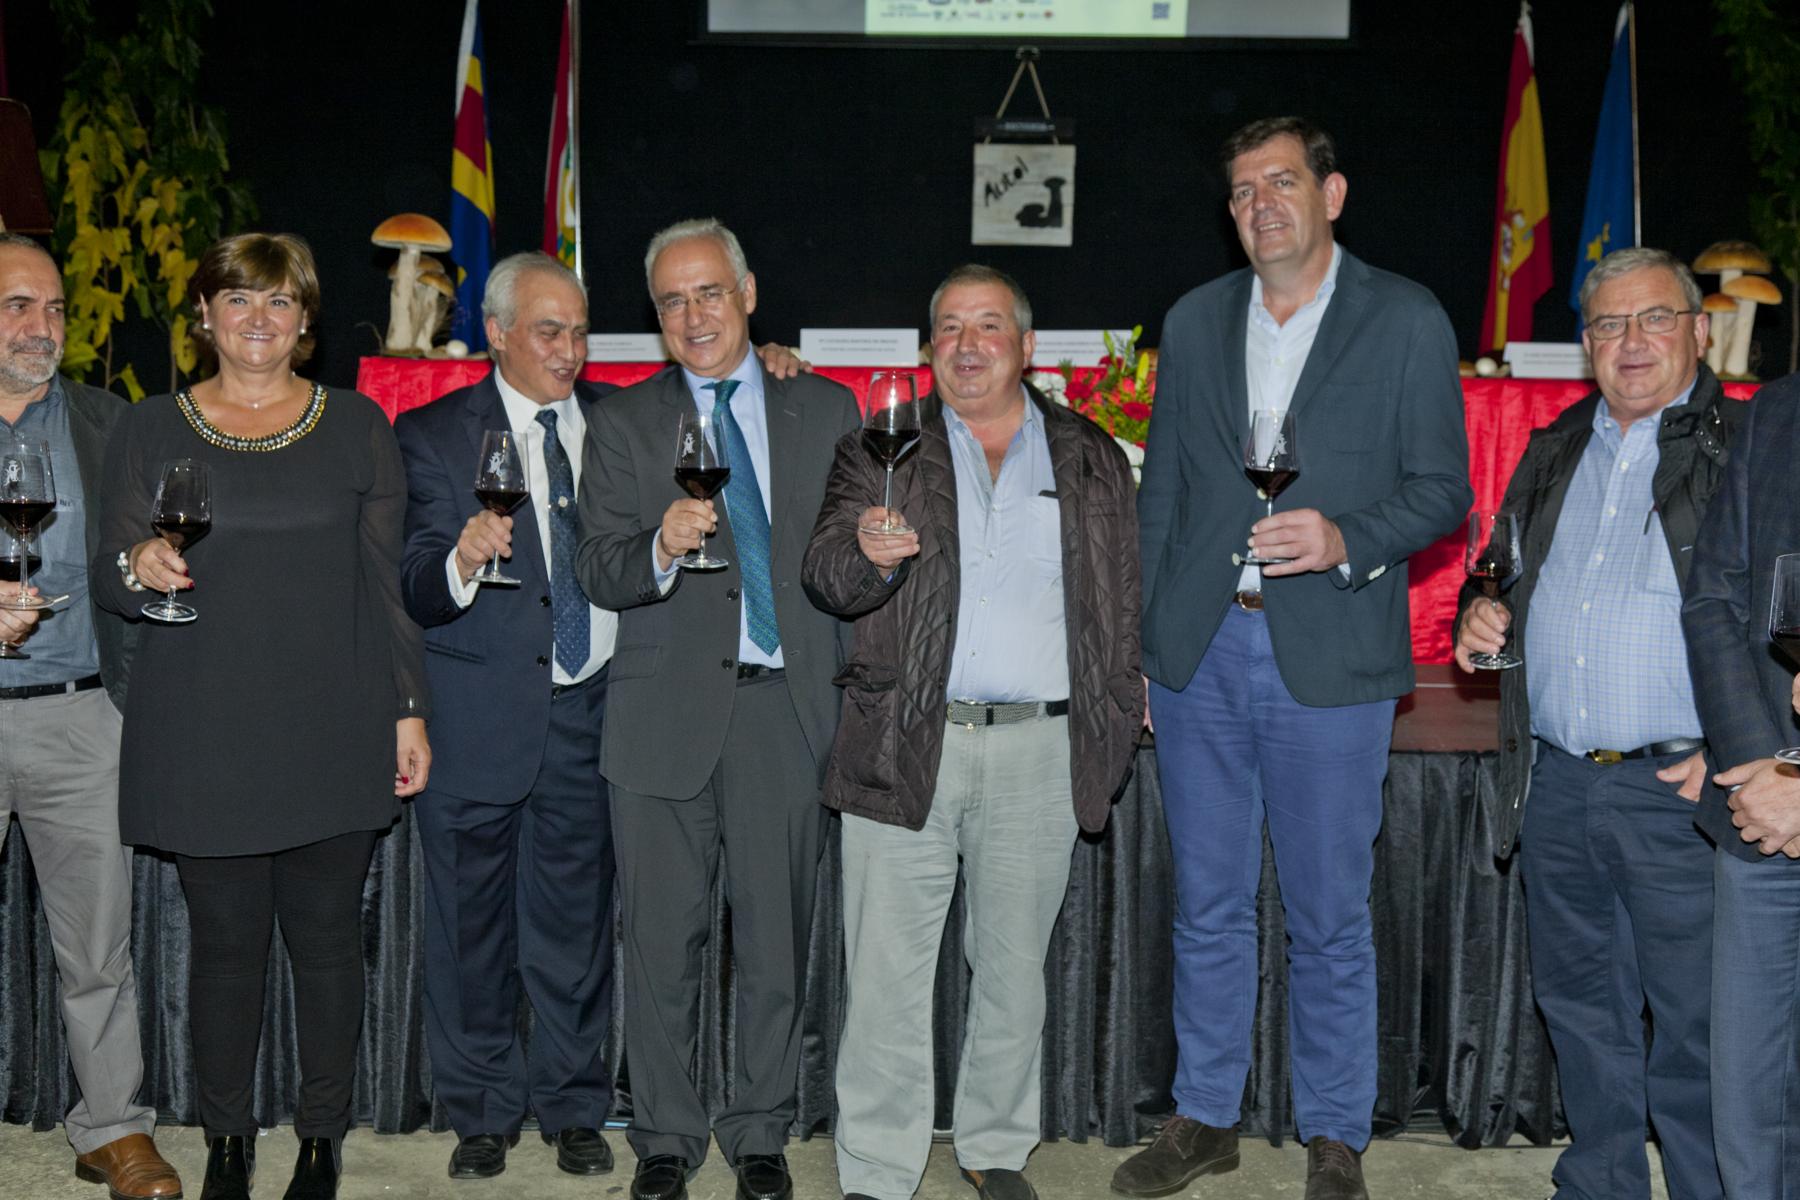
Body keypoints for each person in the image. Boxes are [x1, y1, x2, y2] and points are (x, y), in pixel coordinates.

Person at [1115, 117, 1471, 1200]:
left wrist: (1346, 538)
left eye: (1281, 181)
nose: (1260, 203)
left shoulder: (1405, 316)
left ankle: (1334, 1134)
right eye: (1241, 190)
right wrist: (1147, 648)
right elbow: (1166, 496)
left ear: (1333, 193)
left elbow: (1443, 491)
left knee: (1328, 915)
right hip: (1202, 653)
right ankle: (1206, 1117)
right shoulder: (1194, 318)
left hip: (1332, 652)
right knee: (1207, 905)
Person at [92, 233, 430, 1200]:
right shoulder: (149, 426)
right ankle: (227, 1141)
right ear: (204, 315)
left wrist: (409, 709)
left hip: (336, 722)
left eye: (279, 302)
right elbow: (111, 573)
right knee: (226, 953)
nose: (258, 319)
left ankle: (322, 1140)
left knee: (327, 948)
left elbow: (387, 586)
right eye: (238, 299)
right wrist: (138, 566)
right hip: (204, 728)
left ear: (305, 321)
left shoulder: (357, 424)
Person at [802, 265, 1141, 1200]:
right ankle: (878, 1168)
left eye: (988, 325)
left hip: (1039, 750)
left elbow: (1122, 602)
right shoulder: (882, 449)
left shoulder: (1089, 454)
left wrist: (1114, 721)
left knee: (1013, 974)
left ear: (1025, 346)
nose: (967, 343)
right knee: (885, 977)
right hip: (903, 743)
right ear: (929, 349)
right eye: (949, 327)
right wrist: (866, 559)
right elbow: (825, 572)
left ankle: (995, 1149)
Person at [576, 218, 859, 1200]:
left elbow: (847, 559)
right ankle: (664, 1136)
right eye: (672, 300)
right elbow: (598, 567)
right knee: (661, 944)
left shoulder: (824, 407)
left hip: (786, 710)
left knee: (776, 942)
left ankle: (761, 1129)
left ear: (747, 294)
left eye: (709, 292)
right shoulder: (623, 422)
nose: (693, 315)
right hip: (660, 716)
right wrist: (658, 546)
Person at [1454, 247, 1732, 1200]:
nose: (1632, 340)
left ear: (1700, 332)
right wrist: (1479, 617)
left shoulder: (1745, 450)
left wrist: (1744, 748)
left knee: (1697, 1030)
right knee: (1579, 1013)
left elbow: (1785, 612)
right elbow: (1495, 576)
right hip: (1559, 782)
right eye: (1610, 324)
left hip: (1681, 791)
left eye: (1655, 318)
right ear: (1586, 345)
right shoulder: (1555, 447)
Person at [395, 252, 622, 1182]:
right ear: (495, 333)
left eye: (579, 331)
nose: (569, 350)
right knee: (470, 933)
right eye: (548, 330)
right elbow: (413, 582)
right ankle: (481, 1112)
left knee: (575, 932)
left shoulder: (620, 423)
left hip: (590, 715)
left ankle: (574, 1106)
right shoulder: (433, 435)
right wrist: (459, 559)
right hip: (474, 719)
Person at [0, 234, 179, 1199]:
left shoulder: (111, 423)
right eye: (18, 306)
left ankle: (113, 1127)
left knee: (98, 946)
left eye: (55, 307)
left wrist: (152, 564)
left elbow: (146, 552)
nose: (44, 327)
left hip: (79, 718)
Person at [1682, 366, 1800, 1199]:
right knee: (1750, 1107)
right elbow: (1713, 599)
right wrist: (1771, 764)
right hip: (1763, 809)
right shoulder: (1778, 411)